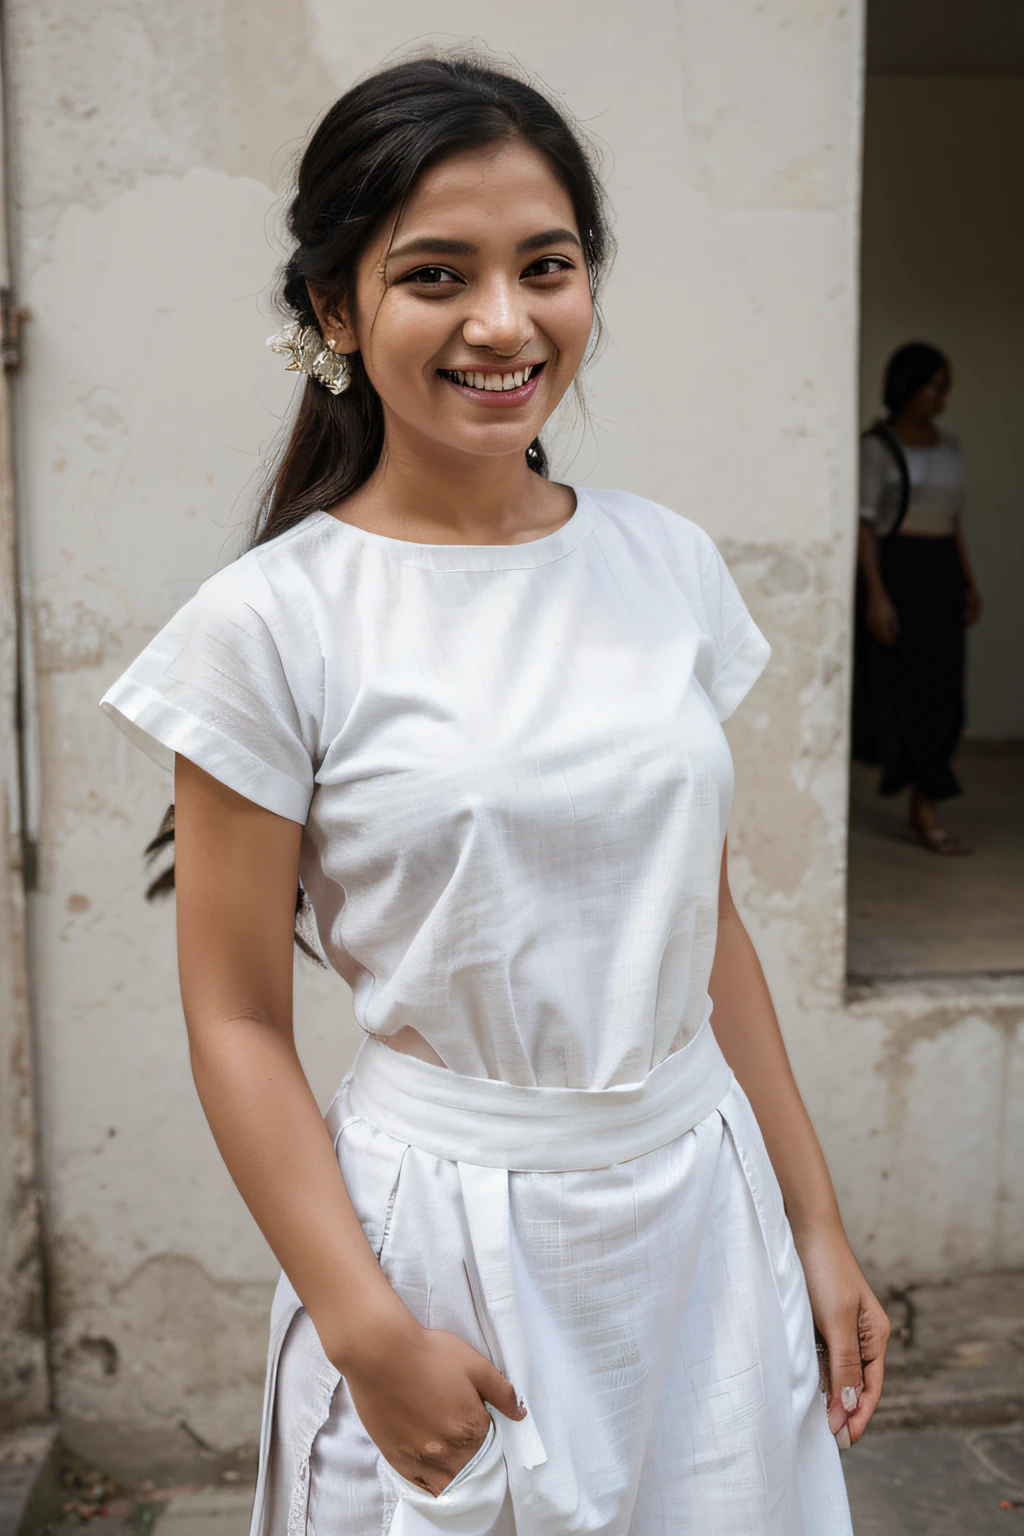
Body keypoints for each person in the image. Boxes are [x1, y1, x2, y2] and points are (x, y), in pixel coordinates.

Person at [100, 55, 884, 1536]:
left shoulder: (667, 566)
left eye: (549, 266)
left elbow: (699, 925)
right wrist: (363, 1326)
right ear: (337, 310)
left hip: (702, 1223)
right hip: (442, 1247)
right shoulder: (271, 624)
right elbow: (237, 1015)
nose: (505, 321)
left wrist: (815, 1220)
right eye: (436, 275)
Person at [855, 342, 983, 854]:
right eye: (931, 386)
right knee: (903, 690)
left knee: (945, 691)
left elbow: (953, 522)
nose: (939, 397)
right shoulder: (878, 446)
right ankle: (923, 805)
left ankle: (924, 794)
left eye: (944, 387)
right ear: (906, 385)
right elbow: (865, 524)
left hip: (942, 575)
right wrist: (877, 594)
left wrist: (969, 582)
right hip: (899, 572)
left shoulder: (949, 447)